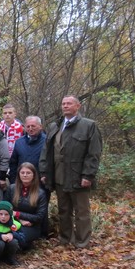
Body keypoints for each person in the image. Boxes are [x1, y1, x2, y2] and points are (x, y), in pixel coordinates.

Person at [39, 95, 102, 248]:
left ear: (78, 106)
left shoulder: (89, 125)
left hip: (79, 176)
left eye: (69, 103)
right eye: (63, 103)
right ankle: (66, 239)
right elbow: (47, 151)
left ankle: (82, 242)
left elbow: (94, 153)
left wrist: (88, 175)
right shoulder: (56, 126)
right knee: (64, 210)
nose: (65, 106)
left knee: (82, 212)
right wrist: (45, 172)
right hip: (59, 176)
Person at [6, 163, 48, 247]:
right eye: (22, 173)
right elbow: (5, 209)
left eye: (28, 173)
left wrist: (18, 214)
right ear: (19, 174)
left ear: (34, 175)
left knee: (15, 238)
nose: (25, 175)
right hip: (12, 222)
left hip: (31, 226)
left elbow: (39, 217)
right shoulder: (11, 188)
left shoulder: (41, 193)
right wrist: (19, 219)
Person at [0, 201, 24, 269]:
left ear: (10, 215)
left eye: (6, 214)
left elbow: (23, 241)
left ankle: (10, 258)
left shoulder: (16, 224)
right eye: (1, 214)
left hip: (8, 248)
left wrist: (13, 234)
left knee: (13, 242)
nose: (3, 217)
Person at [9, 116, 46, 184]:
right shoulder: (19, 142)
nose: (30, 129)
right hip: (21, 182)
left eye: (33, 126)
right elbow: (13, 163)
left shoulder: (47, 141)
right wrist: (13, 181)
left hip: (40, 182)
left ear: (40, 126)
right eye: (28, 126)